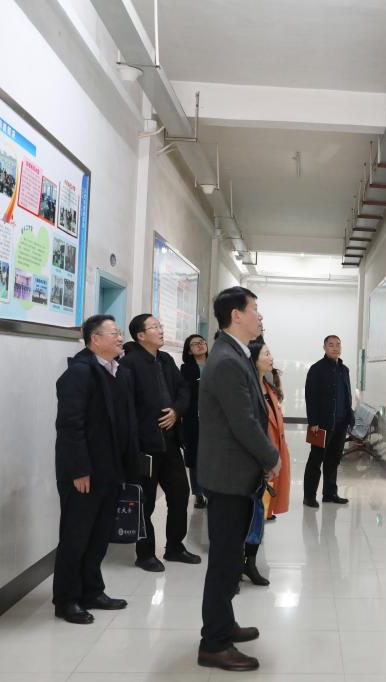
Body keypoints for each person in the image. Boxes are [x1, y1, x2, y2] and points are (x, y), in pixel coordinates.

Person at [197, 287, 280, 671]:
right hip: (228, 475)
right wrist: (271, 457)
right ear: (236, 315)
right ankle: (214, 644)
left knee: (230, 560)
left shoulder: (234, 353)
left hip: (234, 474)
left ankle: (223, 624)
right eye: (254, 309)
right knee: (224, 562)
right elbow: (243, 422)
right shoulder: (228, 359)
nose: (259, 316)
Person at [52, 314, 138, 624]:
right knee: (76, 537)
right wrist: (79, 470)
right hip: (84, 473)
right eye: (114, 333)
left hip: (110, 469)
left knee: (99, 537)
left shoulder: (119, 372)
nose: (120, 338)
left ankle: (92, 590)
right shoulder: (79, 373)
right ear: (95, 340)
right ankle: (66, 599)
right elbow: (70, 426)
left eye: (120, 333)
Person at [119, 314, 199, 571]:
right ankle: (144, 554)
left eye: (160, 326)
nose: (161, 330)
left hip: (171, 442)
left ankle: (174, 547)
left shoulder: (165, 359)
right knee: (146, 502)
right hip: (146, 447)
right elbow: (126, 408)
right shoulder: (129, 364)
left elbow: (184, 389)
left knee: (180, 495)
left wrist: (176, 411)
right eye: (155, 327)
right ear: (141, 335)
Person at [239, 336, 291, 587]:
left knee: (258, 515)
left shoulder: (268, 388)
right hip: (251, 462)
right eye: (266, 354)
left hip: (269, 461)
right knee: (244, 516)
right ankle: (235, 566)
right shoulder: (246, 390)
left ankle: (249, 563)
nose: (271, 358)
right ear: (253, 359)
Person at [303, 335, 354, 506]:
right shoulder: (317, 369)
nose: (335, 348)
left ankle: (330, 494)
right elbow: (310, 396)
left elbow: (347, 395)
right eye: (331, 345)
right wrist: (313, 421)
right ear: (324, 348)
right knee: (316, 460)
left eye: (338, 345)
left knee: (334, 460)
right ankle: (309, 496)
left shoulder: (344, 370)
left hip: (341, 423)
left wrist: (349, 417)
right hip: (322, 424)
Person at [180, 334, 209, 509]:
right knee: (195, 455)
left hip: (214, 418)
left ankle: (212, 491)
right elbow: (185, 392)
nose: (200, 345)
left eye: (202, 342)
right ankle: (198, 493)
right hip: (193, 418)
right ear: (189, 351)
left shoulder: (216, 364)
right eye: (195, 344)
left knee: (212, 455)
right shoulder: (185, 369)